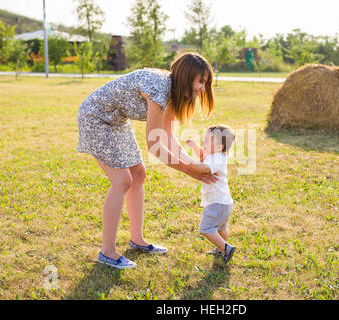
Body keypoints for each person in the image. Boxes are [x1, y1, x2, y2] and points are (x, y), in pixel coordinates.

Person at [76, 52, 219, 269]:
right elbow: (155, 146)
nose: (202, 88)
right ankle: (107, 252)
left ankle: (137, 240)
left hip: (116, 120)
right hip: (95, 117)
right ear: (187, 76)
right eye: (200, 81)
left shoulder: (173, 93)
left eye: (205, 83)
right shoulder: (158, 88)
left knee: (138, 175)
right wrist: (190, 170)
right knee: (122, 180)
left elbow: (168, 137)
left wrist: (195, 165)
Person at [186, 124, 236, 264]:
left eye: (207, 140)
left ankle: (226, 248)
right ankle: (221, 249)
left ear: (220, 146)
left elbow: (205, 168)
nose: (203, 143)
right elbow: (203, 156)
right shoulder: (215, 155)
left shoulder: (216, 159)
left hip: (216, 203)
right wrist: (195, 147)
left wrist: (187, 162)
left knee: (206, 229)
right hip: (224, 202)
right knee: (221, 228)